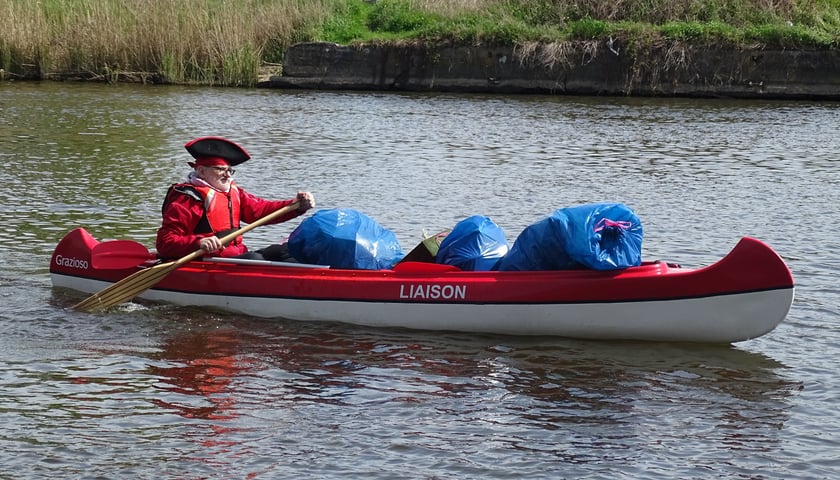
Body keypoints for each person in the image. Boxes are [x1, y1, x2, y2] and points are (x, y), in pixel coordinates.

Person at [156, 136, 315, 261]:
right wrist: (198, 242)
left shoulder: (233, 191)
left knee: (286, 250)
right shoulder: (187, 198)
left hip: (235, 255)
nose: (227, 175)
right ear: (202, 171)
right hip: (207, 260)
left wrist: (296, 205)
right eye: (220, 170)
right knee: (255, 258)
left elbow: (260, 211)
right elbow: (165, 243)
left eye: (229, 170)